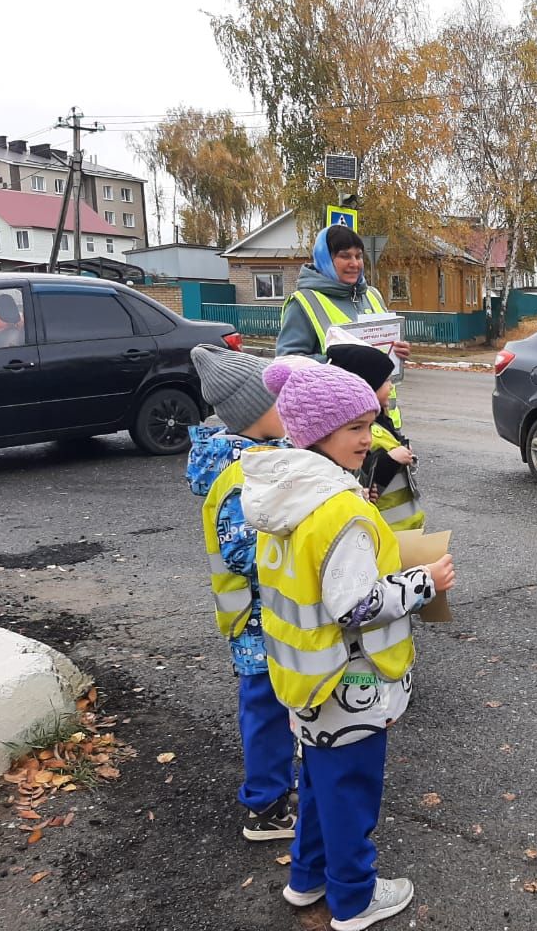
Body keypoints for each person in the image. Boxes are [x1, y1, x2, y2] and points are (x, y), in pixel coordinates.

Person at [241, 359, 455, 931]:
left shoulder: (284, 494)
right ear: (316, 432)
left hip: (304, 676)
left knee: (317, 778)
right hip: (350, 679)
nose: (368, 438)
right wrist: (425, 581)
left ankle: (309, 876)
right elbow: (355, 605)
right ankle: (355, 898)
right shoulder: (342, 509)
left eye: (370, 424)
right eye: (355, 428)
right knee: (351, 789)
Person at [185, 344, 296, 842]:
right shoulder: (240, 476)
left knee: (275, 703)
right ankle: (265, 805)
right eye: (280, 401)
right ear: (253, 414)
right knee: (265, 706)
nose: (289, 409)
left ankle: (275, 784)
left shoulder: (260, 459)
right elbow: (243, 553)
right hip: (255, 619)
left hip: (267, 614)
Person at [276, 224, 410, 429]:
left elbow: (385, 349)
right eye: (345, 256)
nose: (354, 263)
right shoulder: (304, 302)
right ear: (325, 259)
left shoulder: (372, 295)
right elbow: (286, 364)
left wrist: (398, 350)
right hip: (338, 426)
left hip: (385, 422)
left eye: (358, 256)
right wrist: (339, 363)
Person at [327, 342, 426, 530]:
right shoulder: (359, 431)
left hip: (405, 523)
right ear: (367, 386)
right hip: (384, 528)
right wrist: (390, 460)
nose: (391, 386)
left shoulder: (380, 419)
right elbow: (360, 476)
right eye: (386, 381)